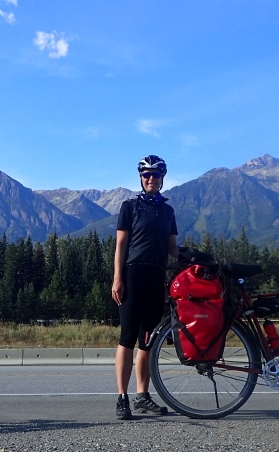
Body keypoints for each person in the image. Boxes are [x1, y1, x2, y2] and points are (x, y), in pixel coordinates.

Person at [112, 154, 179, 419]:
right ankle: (122, 398)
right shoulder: (130, 206)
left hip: (156, 278)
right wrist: (117, 278)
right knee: (127, 336)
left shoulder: (168, 211)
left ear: (163, 178)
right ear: (141, 178)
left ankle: (143, 396)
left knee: (147, 340)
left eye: (156, 174)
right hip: (132, 275)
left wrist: (193, 257)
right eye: (146, 175)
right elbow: (120, 246)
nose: (151, 178)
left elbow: (173, 247)